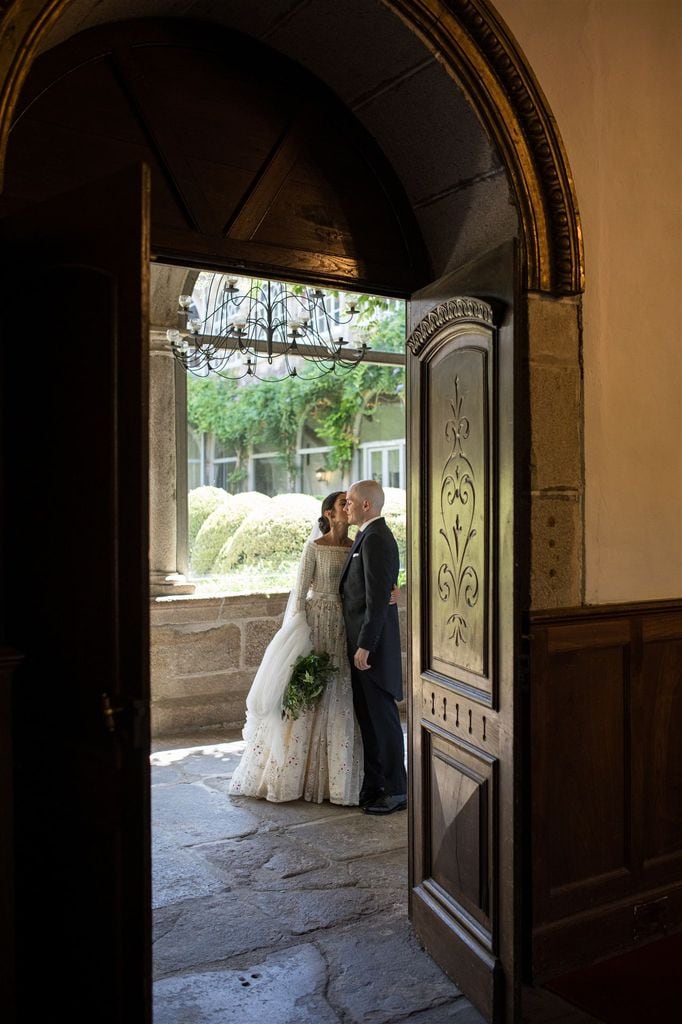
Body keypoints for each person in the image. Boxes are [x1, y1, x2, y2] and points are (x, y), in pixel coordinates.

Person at [229, 491, 362, 805]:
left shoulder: (355, 545)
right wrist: (301, 635)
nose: (348, 506)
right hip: (316, 622)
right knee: (309, 688)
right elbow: (300, 594)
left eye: (349, 502)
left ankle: (336, 782)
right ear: (329, 513)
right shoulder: (314, 547)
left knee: (339, 688)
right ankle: (291, 775)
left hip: (344, 624)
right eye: (342, 503)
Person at [340, 480, 407, 815]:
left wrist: (365, 645)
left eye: (349, 502)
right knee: (369, 720)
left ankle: (398, 791)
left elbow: (377, 599)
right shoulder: (366, 536)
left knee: (384, 721)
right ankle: (376, 786)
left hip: (373, 648)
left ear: (366, 505)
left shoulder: (377, 538)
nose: (345, 507)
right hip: (362, 644)